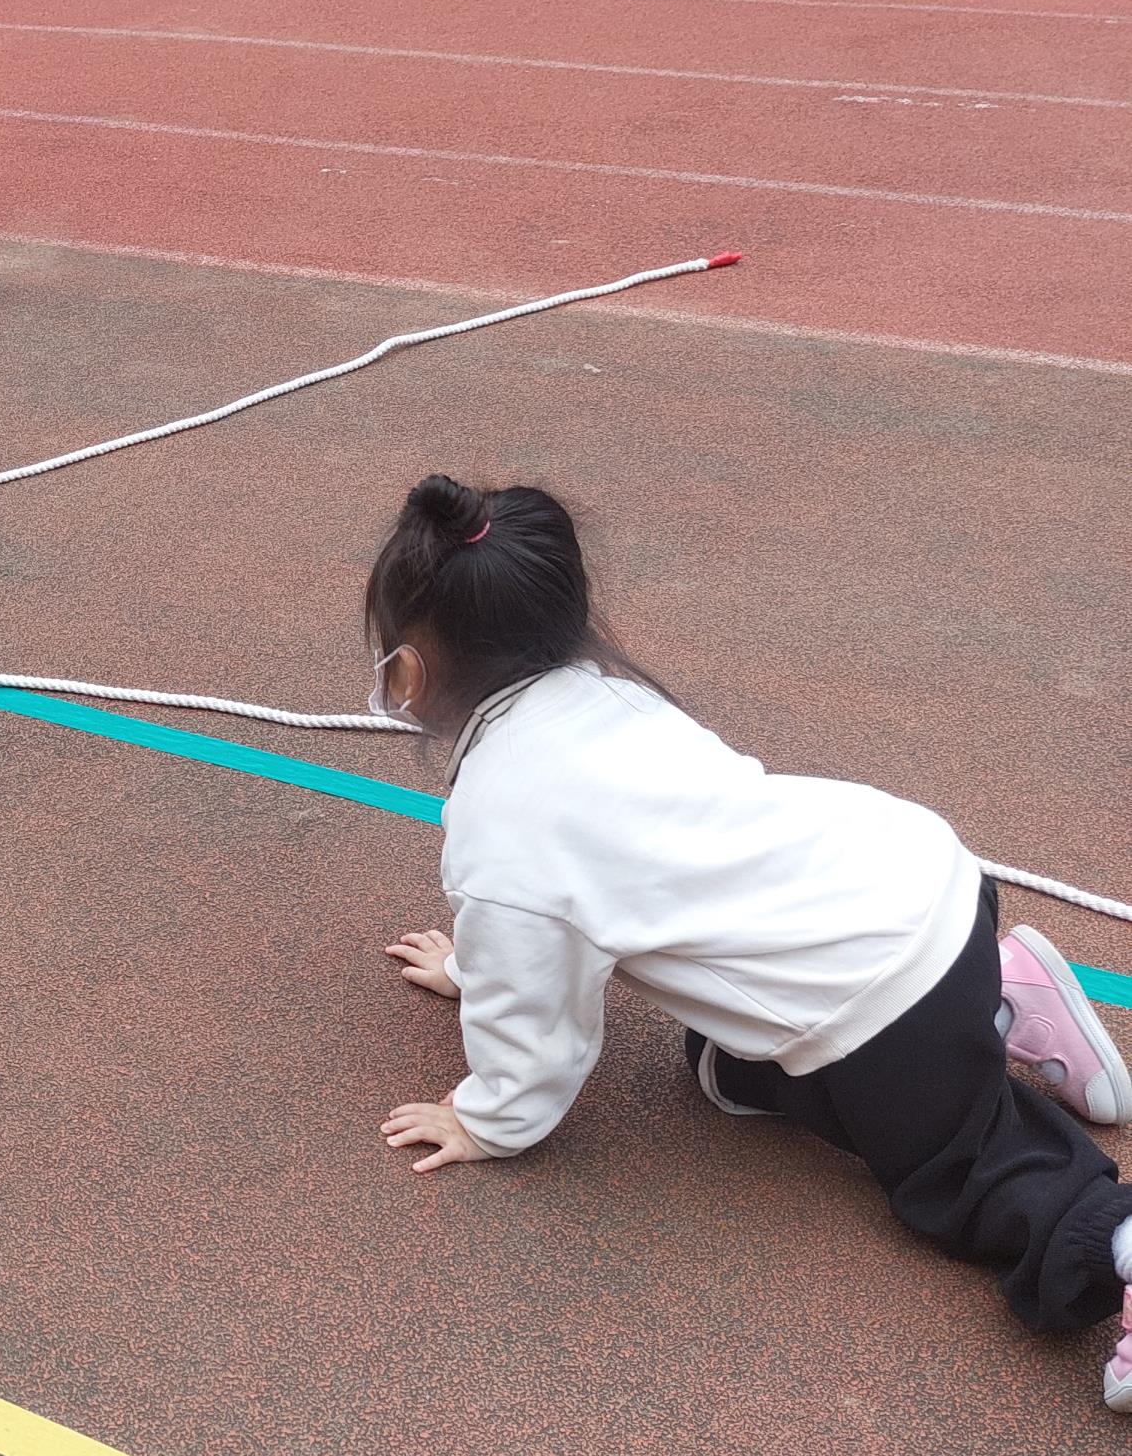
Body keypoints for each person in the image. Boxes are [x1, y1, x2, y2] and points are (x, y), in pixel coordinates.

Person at [367, 475, 1132, 1405]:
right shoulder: (606, 695)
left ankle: (1115, 1241)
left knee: (963, 1174)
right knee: (718, 1069)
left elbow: (535, 1014)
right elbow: (544, 915)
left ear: (406, 675)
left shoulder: (502, 826)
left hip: (886, 985)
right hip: (919, 870)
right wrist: (473, 963)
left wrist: (491, 1119)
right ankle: (998, 994)